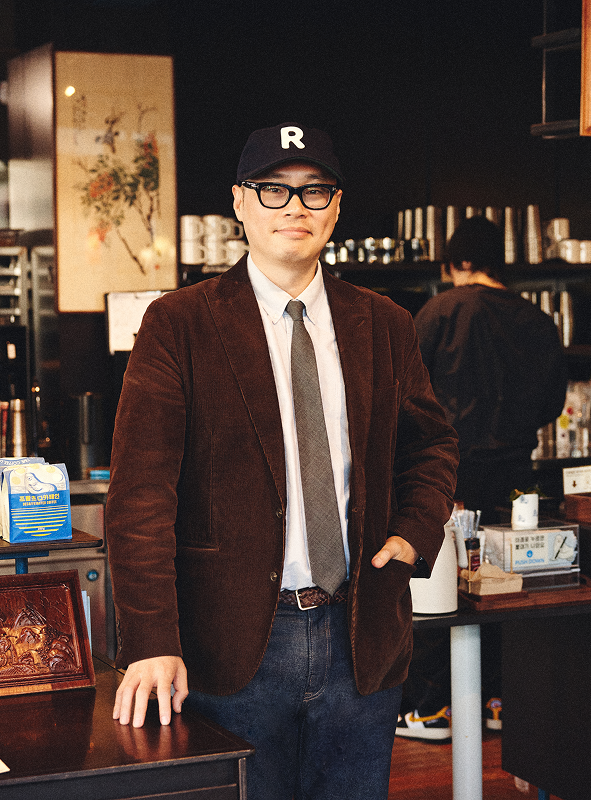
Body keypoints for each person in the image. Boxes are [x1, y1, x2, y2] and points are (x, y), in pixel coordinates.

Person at [104, 123, 459, 800]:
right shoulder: (179, 323)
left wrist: (415, 532)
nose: (295, 207)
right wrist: (150, 638)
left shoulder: (385, 323)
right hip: (230, 646)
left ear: (336, 206)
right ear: (240, 202)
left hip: (361, 635)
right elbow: (141, 494)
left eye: (314, 190)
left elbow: (432, 444)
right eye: (273, 189)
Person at [395, 214, 568, 739]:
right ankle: (498, 702)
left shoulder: (441, 310)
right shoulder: (538, 319)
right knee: (505, 587)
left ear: (460, 262)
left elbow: (404, 393)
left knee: (437, 586)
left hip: (448, 476)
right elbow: (552, 405)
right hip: (517, 479)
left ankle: (432, 710)